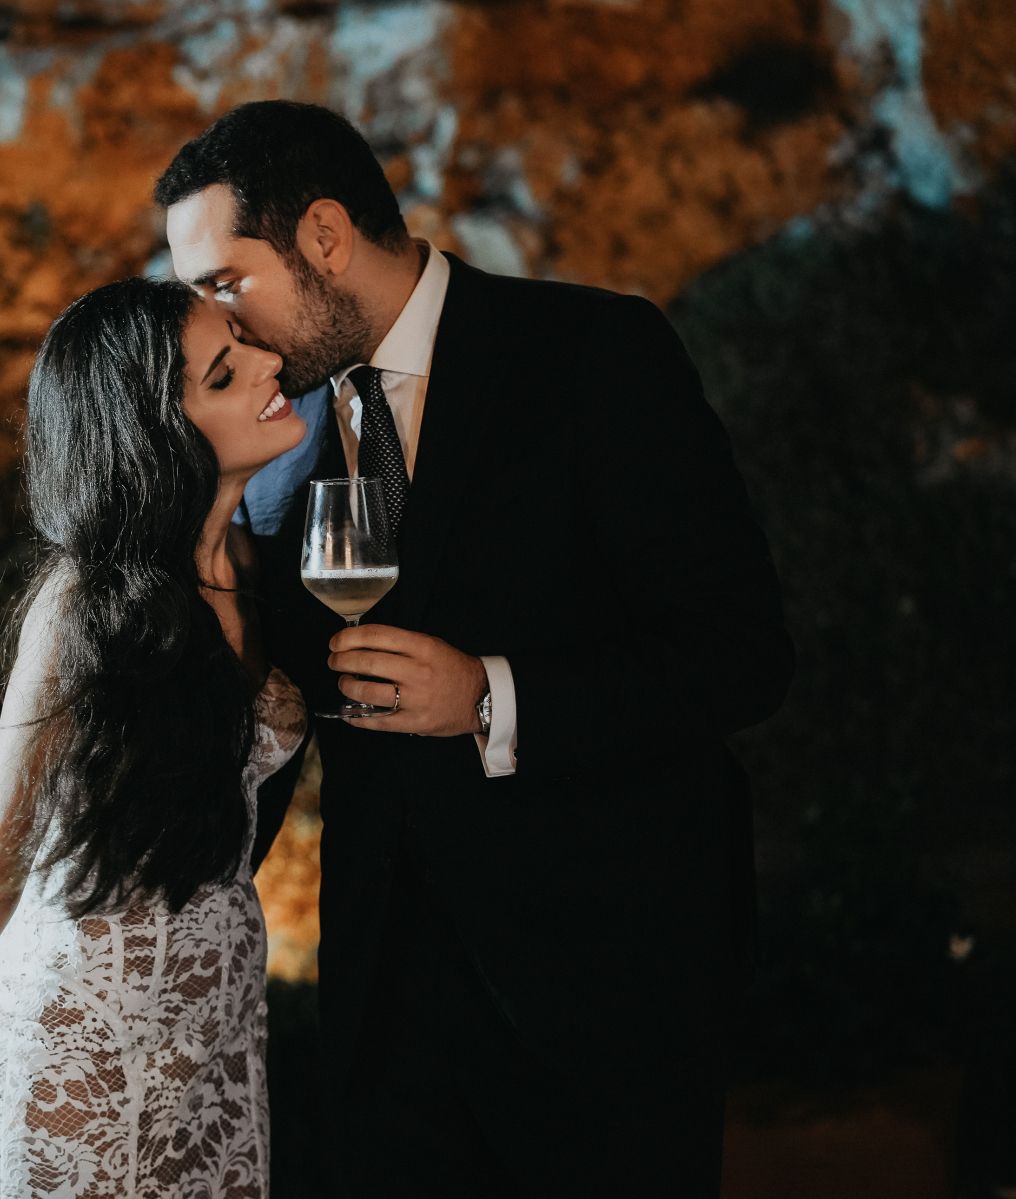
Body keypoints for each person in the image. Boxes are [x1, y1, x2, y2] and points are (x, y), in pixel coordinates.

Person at [155, 101, 796, 1196]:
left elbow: (742, 652)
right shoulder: (270, 439)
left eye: (225, 283)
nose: (225, 325)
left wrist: (493, 696)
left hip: (607, 982)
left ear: (322, 235)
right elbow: (276, 718)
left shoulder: (594, 352)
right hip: (385, 1002)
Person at [0, 276, 310, 1198]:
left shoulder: (260, 563)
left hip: (215, 1035)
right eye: (225, 373)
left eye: (244, 343)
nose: (267, 363)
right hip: (83, 1029)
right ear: (158, 438)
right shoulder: (84, 605)